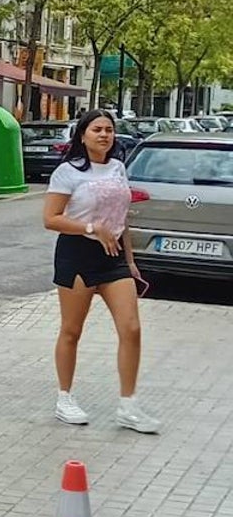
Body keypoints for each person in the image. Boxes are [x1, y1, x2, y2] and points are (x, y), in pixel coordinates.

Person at [42, 108, 159, 434]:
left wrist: (131, 261)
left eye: (109, 129)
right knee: (72, 330)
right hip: (77, 254)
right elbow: (51, 219)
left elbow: (121, 218)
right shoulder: (68, 172)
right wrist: (91, 228)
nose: (104, 135)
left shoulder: (118, 168)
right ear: (83, 135)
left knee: (131, 328)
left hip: (114, 257)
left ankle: (129, 405)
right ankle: (65, 398)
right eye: (97, 129)